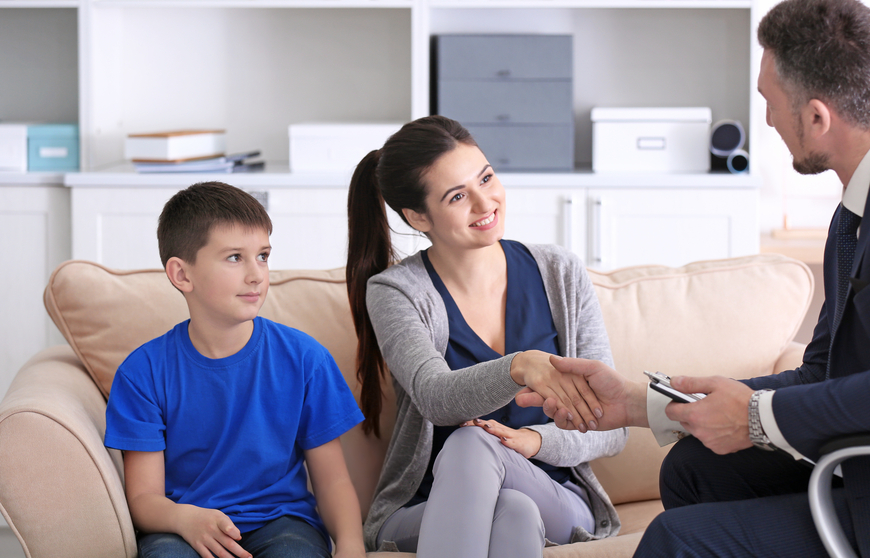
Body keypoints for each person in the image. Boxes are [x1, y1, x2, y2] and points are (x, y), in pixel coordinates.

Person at [519, 0, 870, 557]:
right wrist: (642, 402)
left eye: (769, 103)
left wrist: (755, 417)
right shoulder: (868, 199)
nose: (766, 119)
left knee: (677, 542)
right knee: (693, 469)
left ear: (817, 116)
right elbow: (825, 370)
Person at [345, 115, 628, 557]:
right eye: (458, 195)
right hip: (427, 503)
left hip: (554, 494)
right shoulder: (396, 291)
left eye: (487, 178)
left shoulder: (559, 272)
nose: (485, 203)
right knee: (512, 510)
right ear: (418, 216)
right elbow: (435, 398)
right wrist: (520, 367)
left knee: (477, 445)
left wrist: (536, 442)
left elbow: (612, 427)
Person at [104, 181, 367, 558]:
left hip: (283, 523)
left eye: (262, 255)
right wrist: (184, 521)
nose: (256, 274)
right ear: (182, 275)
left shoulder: (306, 359)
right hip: (183, 527)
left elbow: (333, 481)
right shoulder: (143, 373)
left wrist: (351, 545)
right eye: (234, 258)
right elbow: (144, 498)